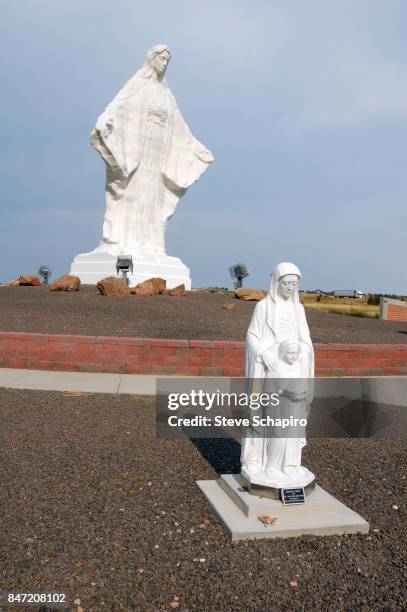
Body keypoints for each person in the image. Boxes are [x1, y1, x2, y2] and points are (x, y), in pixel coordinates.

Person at [89, 44, 214, 259]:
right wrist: (106, 122)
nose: (164, 63)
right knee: (132, 192)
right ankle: (123, 240)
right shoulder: (137, 85)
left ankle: (150, 244)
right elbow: (117, 107)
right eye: (162, 58)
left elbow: (179, 126)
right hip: (138, 146)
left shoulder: (167, 94)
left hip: (159, 151)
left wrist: (195, 148)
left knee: (153, 196)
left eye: (168, 60)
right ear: (152, 59)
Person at [240, 262, 314, 486]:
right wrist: (265, 352)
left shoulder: (297, 309)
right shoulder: (263, 308)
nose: (290, 288)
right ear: (276, 283)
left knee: (290, 419)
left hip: (291, 370)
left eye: (294, 284)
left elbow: (305, 340)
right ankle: (257, 460)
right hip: (268, 368)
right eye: (286, 283)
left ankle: (288, 464)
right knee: (262, 414)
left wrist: (301, 356)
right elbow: (252, 336)